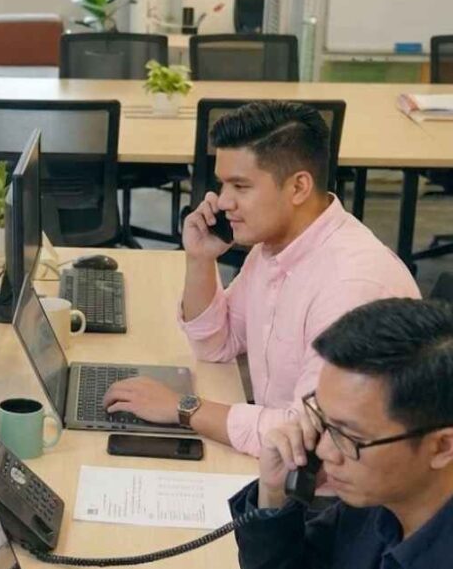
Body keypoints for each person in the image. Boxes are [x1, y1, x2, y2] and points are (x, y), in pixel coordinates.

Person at [105, 101, 419, 454]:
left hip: (329, 494)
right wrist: (199, 260)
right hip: (277, 459)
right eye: (223, 184)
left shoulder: (351, 287)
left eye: (240, 186)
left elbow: (310, 437)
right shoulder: (275, 245)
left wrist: (184, 408)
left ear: (299, 187)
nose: (222, 202)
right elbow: (217, 344)